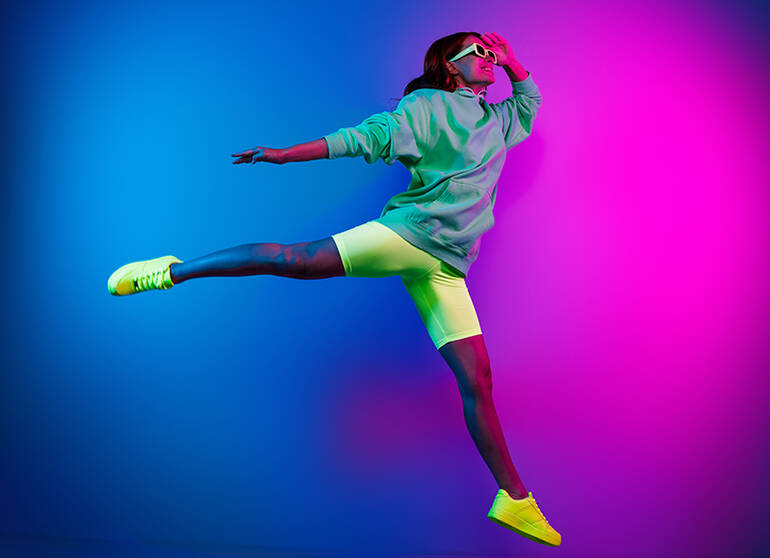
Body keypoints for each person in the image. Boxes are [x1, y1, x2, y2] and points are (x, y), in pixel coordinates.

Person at [107, 31, 560, 546]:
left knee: (477, 378)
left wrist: (513, 62)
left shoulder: (497, 121)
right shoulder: (428, 107)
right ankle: (171, 271)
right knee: (294, 260)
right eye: (478, 52)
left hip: (447, 265)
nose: (489, 58)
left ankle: (514, 499)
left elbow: (528, 102)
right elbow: (361, 137)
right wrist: (285, 155)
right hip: (411, 236)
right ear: (450, 66)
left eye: (492, 52)